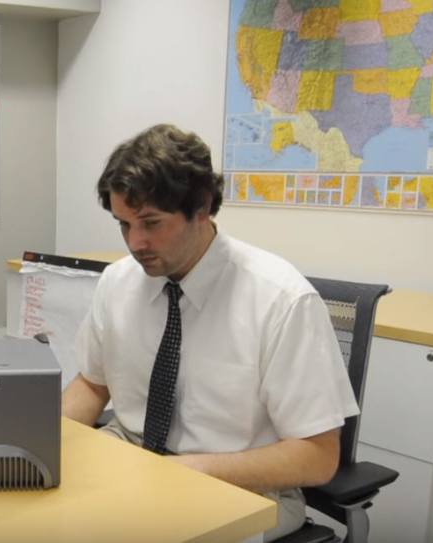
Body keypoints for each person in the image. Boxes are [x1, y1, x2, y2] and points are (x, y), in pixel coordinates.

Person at [63, 124, 358, 541]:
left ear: (202, 207)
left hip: (238, 487)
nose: (135, 242)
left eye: (151, 223)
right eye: (123, 225)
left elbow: (317, 457)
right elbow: (93, 385)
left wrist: (181, 471)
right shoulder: (118, 281)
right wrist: (45, 444)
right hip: (129, 462)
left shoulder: (281, 301)